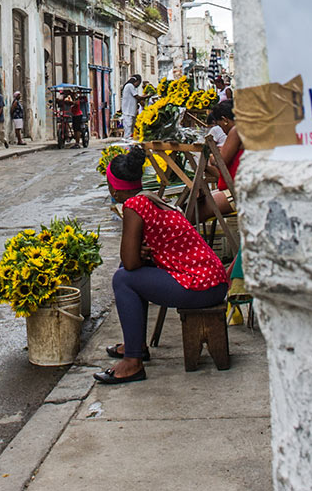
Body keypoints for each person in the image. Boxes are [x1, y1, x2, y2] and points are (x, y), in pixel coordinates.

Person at [95, 148, 229, 384]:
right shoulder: (149, 198)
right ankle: (135, 345)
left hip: (200, 286)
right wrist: (139, 254)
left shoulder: (134, 207)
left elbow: (130, 262)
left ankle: (132, 363)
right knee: (127, 272)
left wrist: (137, 254)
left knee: (123, 278)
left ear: (113, 187)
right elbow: (135, 258)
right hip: (212, 281)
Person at [199, 101, 244, 221]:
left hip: (238, 193)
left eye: (220, 125)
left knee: (194, 211)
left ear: (225, 119)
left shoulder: (237, 130)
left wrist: (214, 157)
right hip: (242, 189)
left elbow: (220, 162)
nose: (223, 130)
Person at [119, 74, 144, 141]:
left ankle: (129, 146)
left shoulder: (131, 87)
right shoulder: (130, 86)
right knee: (128, 132)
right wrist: (149, 95)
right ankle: (126, 146)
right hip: (128, 112)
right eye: (139, 83)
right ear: (137, 81)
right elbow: (138, 97)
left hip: (131, 112)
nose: (138, 85)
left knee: (131, 132)